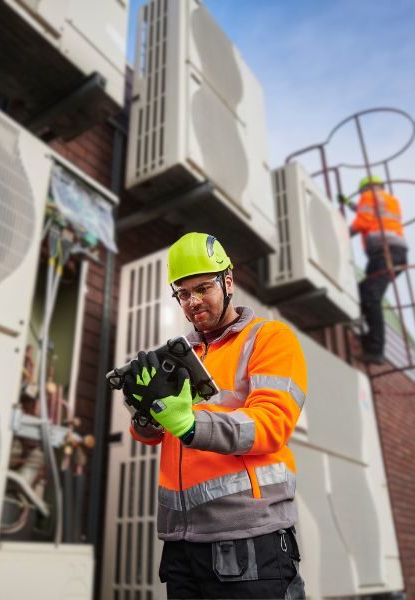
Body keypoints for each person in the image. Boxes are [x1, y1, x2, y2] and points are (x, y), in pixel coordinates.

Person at [123, 232, 307, 599]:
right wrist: (145, 411)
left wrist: (190, 424)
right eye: (183, 293)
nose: (192, 302)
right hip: (181, 542)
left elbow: (272, 424)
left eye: (202, 288)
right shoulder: (179, 354)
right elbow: (153, 436)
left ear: (228, 281)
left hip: (250, 539)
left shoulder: (267, 338)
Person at [341, 175, 408, 365]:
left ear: (366, 188)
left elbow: (363, 221)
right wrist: (348, 203)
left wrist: (342, 234)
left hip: (384, 252)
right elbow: (370, 213)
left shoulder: (368, 196)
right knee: (364, 292)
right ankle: (365, 334)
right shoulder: (389, 199)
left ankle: (375, 349)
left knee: (371, 295)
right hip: (396, 253)